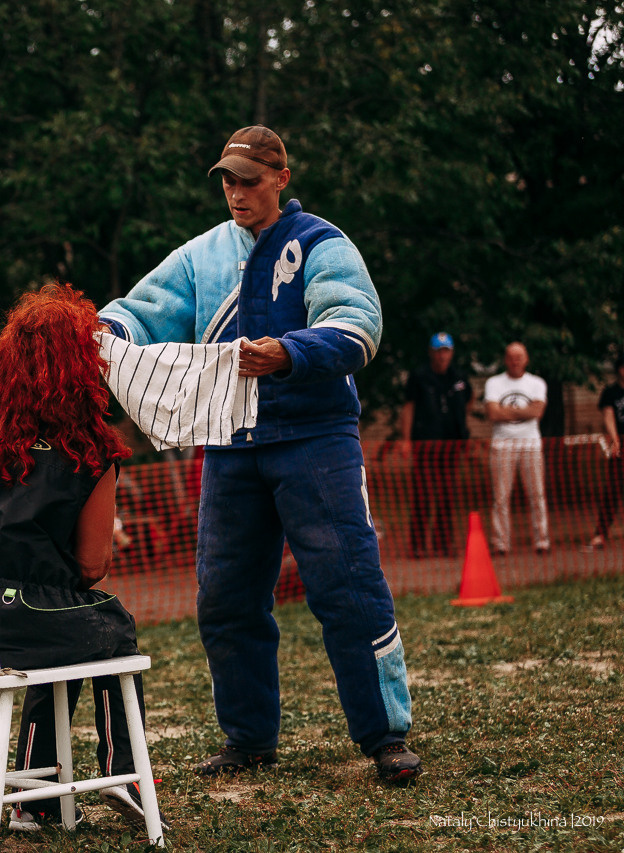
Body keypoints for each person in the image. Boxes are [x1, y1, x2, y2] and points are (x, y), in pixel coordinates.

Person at [98, 126, 420, 784]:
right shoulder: (201, 255)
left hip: (315, 436)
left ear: (281, 178)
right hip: (229, 445)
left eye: (249, 179)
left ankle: (386, 735)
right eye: (228, 179)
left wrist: (290, 351)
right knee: (225, 598)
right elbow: (141, 311)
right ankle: (248, 738)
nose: (236, 191)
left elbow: (358, 325)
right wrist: (93, 332)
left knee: (350, 589)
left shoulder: (323, 245)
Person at [0, 283, 168, 831]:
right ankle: (123, 772)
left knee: (61, 630)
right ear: (80, 367)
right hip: (25, 617)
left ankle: (36, 794)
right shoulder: (91, 450)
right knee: (108, 621)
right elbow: (94, 565)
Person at [397, 332, 472, 557]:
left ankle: (444, 543)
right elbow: (408, 407)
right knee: (423, 494)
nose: (442, 356)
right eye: (438, 351)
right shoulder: (419, 377)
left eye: (446, 351)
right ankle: (418, 545)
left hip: (451, 446)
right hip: (425, 445)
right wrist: (406, 440)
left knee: (447, 495)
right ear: (431, 352)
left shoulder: (459, 377)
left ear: (451, 353)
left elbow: (469, 398)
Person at [483, 341, 549, 555]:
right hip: (502, 445)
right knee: (501, 497)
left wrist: (507, 412)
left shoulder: (537, 383)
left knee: (537, 494)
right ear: (505, 360)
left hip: (531, 444)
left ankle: (542, 541)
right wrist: (525, 411)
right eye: (511, 357)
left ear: (526, 359)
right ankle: (501, 544)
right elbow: (493, 413)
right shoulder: (493, 383)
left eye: (519, 357)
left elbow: (538, 411)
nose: (515, 361)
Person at [587, 355, 624, 550]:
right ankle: (600, 534)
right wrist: (615, 439)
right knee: (613, 491)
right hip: (620, 446)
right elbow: (608, 415)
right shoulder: (611, 392)